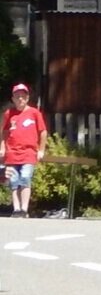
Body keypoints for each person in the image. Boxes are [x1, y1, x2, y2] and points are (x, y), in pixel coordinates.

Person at [4, 82, 48, 214]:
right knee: (13, 180)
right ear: (13, 99)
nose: (20, 99)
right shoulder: (9, 114)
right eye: (17, 96)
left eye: (23, 96)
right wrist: (2, 147)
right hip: (12, 153)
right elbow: (4, 132)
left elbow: (43, 131)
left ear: (27, 98)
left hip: (28, 153)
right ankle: (16, 208)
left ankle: (24, 208)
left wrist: (41, 150)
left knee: (25, 178)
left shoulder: (34, 113)